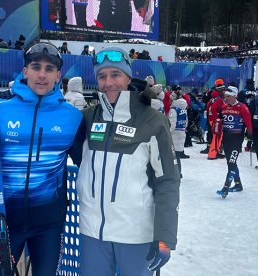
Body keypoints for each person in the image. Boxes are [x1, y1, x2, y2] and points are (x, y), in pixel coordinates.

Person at [0, 43, 82, 275]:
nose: (42, 74)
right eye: (36, 67)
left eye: (49, 69)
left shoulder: (73, 118)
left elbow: (90, 161)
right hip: (5, 219)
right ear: (25, 71)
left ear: (58, 75)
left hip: (49, 224)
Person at [74, 46, 180, 275]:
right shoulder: (88, 117)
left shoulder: (152, 120)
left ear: (128, 77)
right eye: (102, 76)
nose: (108, 82)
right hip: (93, 233)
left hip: (135, 235)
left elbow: (168, 181)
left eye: (115, 74)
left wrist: (164, 237)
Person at [217, 86, 252, 198]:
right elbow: (220, 120)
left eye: (228, 96)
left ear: (235, 96)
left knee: (231, 162)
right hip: (226, 138)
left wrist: (250, 138)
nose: (226, 98)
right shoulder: (223, 107)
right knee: (230, 163)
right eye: (225, 96)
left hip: (237, 139)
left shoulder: (242, 107)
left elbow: (249, 124)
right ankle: (238, 184)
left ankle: (225, 187)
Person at [168, 89, 189, 176]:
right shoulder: (183, 109)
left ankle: (176, 173)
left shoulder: (173, 110)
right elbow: (186, 121)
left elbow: (172, 124)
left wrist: (167, 132)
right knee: (177, 155)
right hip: (181, 132)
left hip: (174, 135)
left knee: (173, 155)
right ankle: (178, 172)